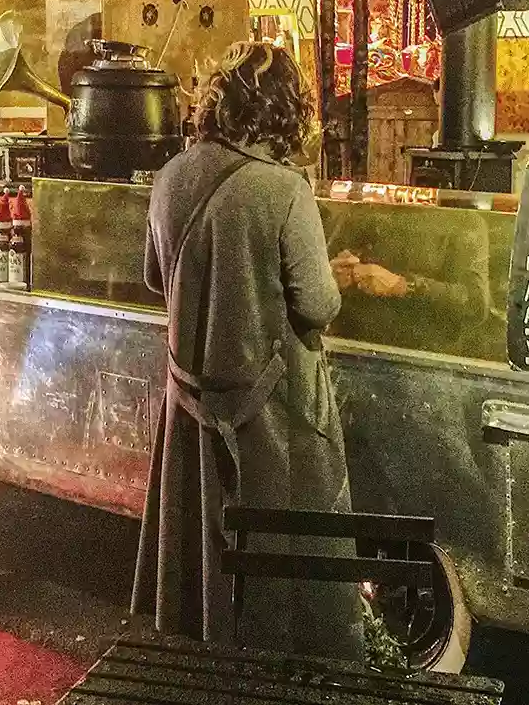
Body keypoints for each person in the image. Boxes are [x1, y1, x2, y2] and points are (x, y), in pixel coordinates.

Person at [131, 41, 362, 661]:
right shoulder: (285, 189)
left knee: (200, 556)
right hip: (271, 418)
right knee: (281, 576)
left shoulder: (170, 177)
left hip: (190, 409)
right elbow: (317, 304)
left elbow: (157, 278)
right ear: (287, 111)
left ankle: (201, 666)